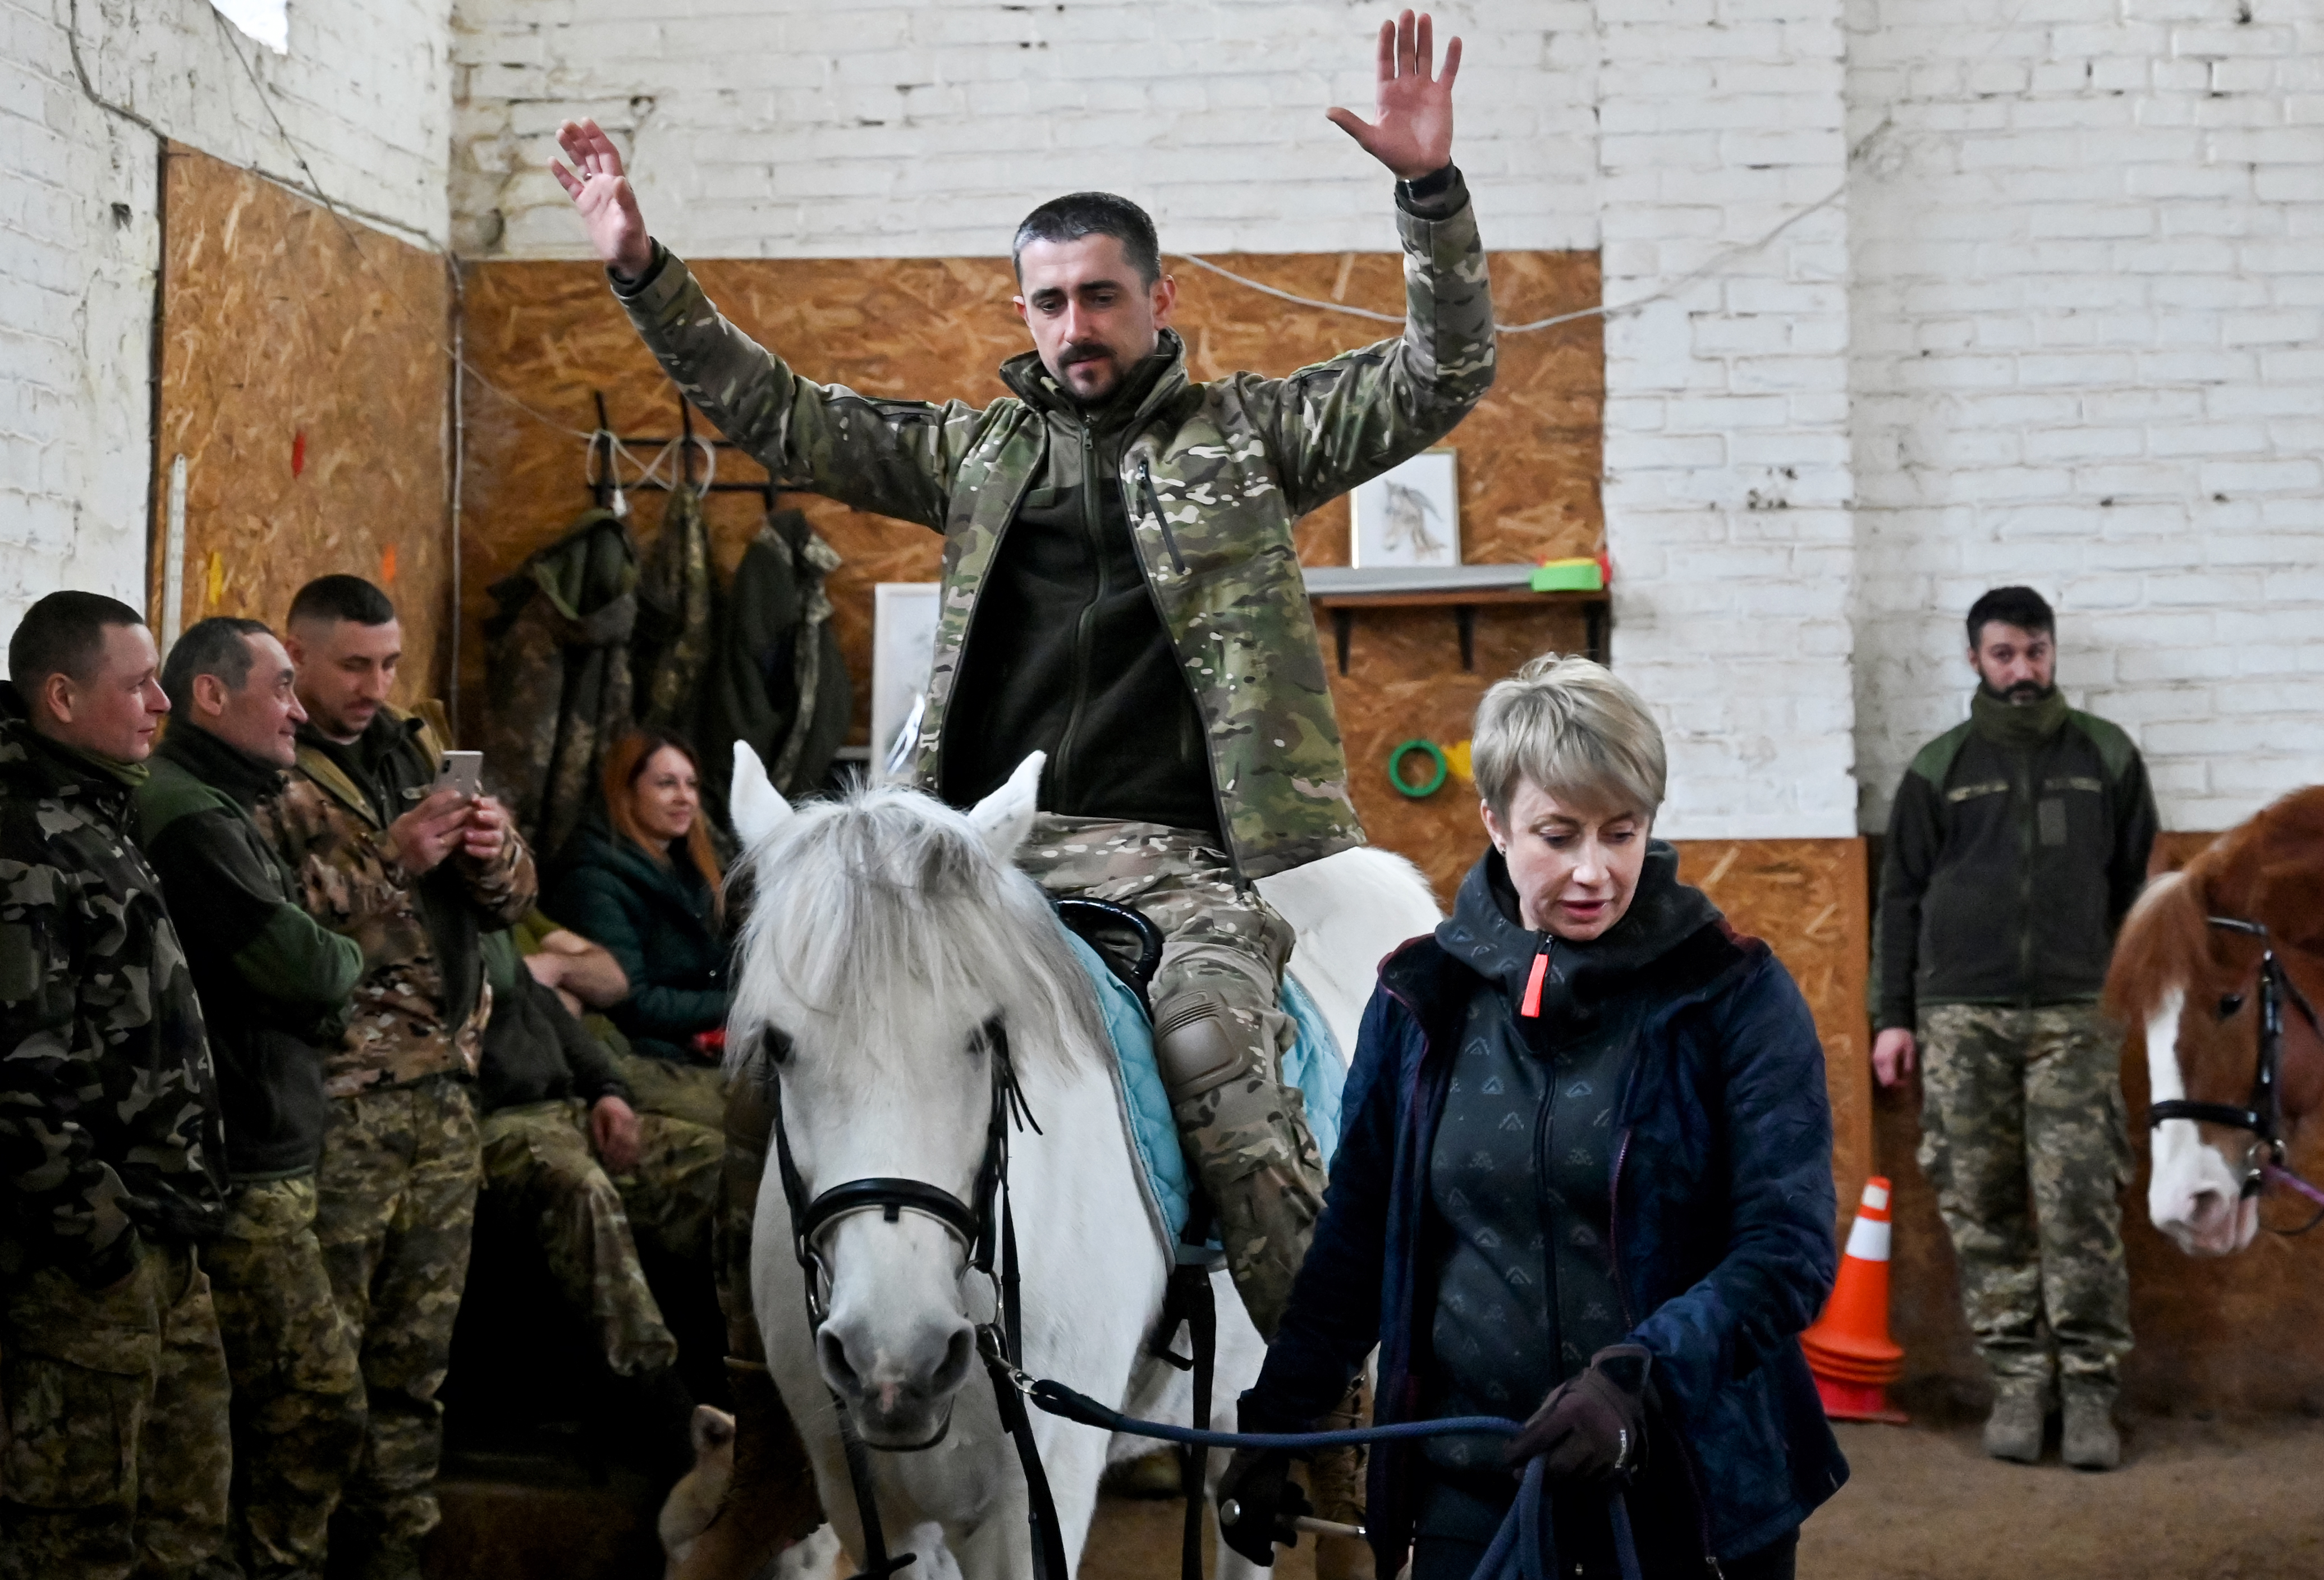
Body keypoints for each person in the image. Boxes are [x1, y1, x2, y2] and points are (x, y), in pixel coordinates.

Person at [557, 22, 1493, 1552]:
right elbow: (781, 411)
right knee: (769, 1068)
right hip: (976, 853)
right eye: (1049, 300)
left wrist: (1429, 193)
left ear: (1159, 300)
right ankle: (773, 1428)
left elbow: (1442, 369)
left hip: (1179, 857)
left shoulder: (1246, 438)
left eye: (1101, 295)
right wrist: (640, 267)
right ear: (1024, 312)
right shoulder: (977, 454)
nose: (1075, 324)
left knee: (1229, 1074)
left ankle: (1317, 1417)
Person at [1222, 655, 1846, 1580]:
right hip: (1475, 1484)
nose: (1594, 870)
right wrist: (1279, 1423)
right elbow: (1355, 1241)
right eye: (1557, 835)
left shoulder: (1733, 993)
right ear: (1494, 822)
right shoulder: (1419, 997)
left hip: (1690, 1487)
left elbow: (1786, 1249)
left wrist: (1639, 1376)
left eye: (1621, 833)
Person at [254, 575, 537, 1578]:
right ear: (297, 655)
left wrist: (492, 852)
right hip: (344, 1108)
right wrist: (396, 856)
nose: (374, 686)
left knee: (413, 1376)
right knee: (314, 1388)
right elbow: (278, 939)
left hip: (443, 1101)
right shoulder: (267, 769)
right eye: (352, 665)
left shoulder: (409, 752)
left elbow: (513, 903)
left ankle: (394, 1561)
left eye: (387, 664)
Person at [1872, 585, 2157, 1471]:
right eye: (2003, 654)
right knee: (1981, 1201)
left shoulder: (2106, 756)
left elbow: (2138, 888)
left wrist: (2125, 991)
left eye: (2036, 651)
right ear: (1975, 660)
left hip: (2078, 1014)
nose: (2022, 669)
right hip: (1961, 1016)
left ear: (2053, 651)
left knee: (2080, 1202)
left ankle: (2090, 1391)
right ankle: (2020, 1382)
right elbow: (1899, 901)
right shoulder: (1939, 767)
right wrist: (1893, 1018)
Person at [0, 592, 235, 1579]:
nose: (161, 702)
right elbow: (18, 1081)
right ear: (61, 696)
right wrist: (104, 1246)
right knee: (76, 1540)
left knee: (184, 1526)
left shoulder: (96, 810)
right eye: (138, 684)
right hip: (87, 1265)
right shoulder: (24, 839)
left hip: (163, 1237)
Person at [136, 617, 374, 1579]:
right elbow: (308, 968)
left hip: (268, 1147)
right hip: (239, 1164)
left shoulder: (224, 802)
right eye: (281, 687)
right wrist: (339, 960)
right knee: (313, 1405)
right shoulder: (186, 813)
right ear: (211, 695)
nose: (298, 711)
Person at [473, 926, 722, 1478]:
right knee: (583, 1189)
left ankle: (755, 1374)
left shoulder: (482, 919)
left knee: (720, 1167)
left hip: (569, 1104)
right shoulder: (405, 928)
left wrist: (608, 1090)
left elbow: (548, 1011)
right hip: (493, 1119)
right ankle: (667, 1418)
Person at [543, 729, 731, 1130]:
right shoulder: (593, 880)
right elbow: (635, 1003)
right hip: (640, 1059)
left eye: (691, 784)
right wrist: (743, 1007)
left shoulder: (686, 866)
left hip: (701, 1047)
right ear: (625, 793)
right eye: (666, 784)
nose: (685, 797)